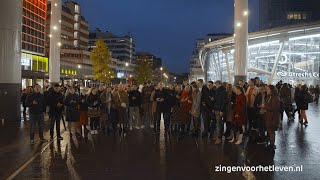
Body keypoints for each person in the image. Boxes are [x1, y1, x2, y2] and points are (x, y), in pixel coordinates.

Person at [261, 85, 280, 150]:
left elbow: (274, 108)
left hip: (272, 117)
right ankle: (271, 144)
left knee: (271, 131)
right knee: (270, 130)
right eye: (266, 89)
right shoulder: (270, 96)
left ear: (272, 90)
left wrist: (264, 107)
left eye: (268, 89)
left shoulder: (275, 98)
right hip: (269, 116)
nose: (267, 91)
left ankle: (272, 145)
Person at [212, 80, 227, 145]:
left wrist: (222, 110)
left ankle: (219, 138)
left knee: (219, 124)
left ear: (219, 84)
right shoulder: (217, 91)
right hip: (216, 108)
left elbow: (224, 102)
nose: (215, 85)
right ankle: (218, 136)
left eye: (216, 84)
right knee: (217, 123)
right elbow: (216, 100)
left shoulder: (223, 91)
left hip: (219, 109)